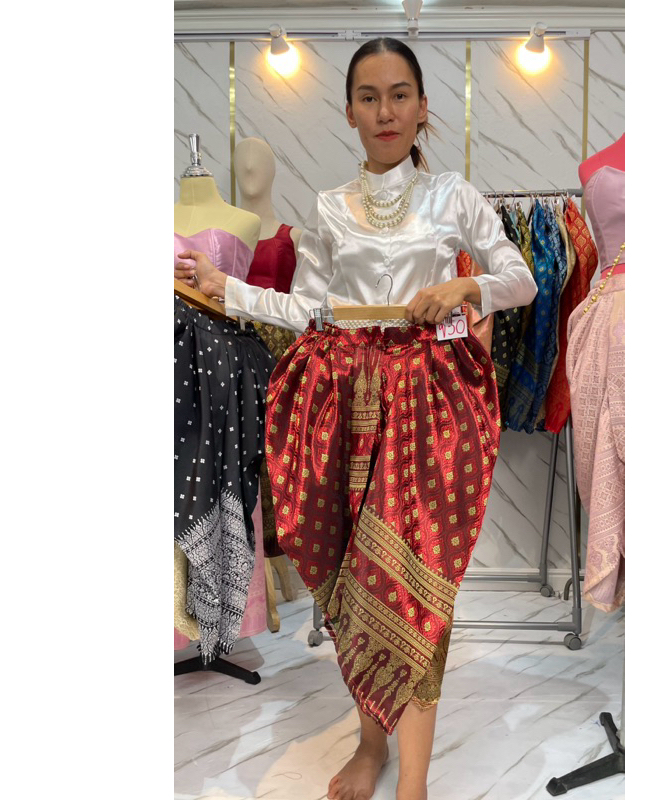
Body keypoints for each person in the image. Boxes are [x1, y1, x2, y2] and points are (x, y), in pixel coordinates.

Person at [176, 37, 537, 800]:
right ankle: (371, 746)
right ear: (349, 111)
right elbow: (308, 309)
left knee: (419, 579)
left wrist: (466, 291)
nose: (385, 110)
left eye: (400, 94)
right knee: (355, 576)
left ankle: (414, 782)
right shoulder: (330, 207)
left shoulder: (455, 196)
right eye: (369, 97)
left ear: (423, 107)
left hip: (429, 406)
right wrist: (222, 287)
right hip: (346, 406)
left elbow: (521, 278)